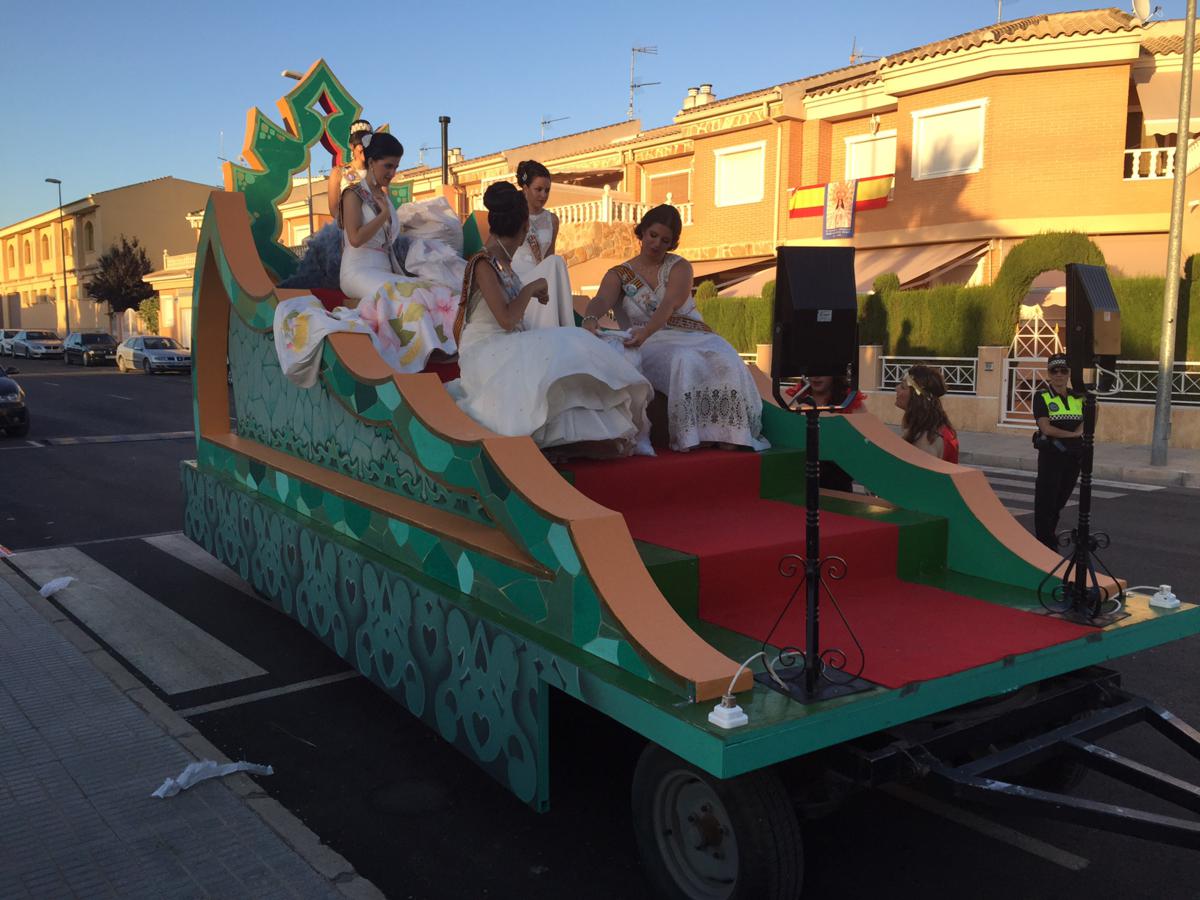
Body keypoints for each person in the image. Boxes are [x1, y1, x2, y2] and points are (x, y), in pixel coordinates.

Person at [451, 183, 653, 459]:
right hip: (485, 349)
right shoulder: (484, 264)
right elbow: (506, 319)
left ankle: (571, 440)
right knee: (567, 340)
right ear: (524, 228)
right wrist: (530, 289)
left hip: (507, 343)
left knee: (567, 343)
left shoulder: (502, 263)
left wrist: (530, 292)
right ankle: (556, 439)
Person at [582, 205, 769, 453]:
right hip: (649, 342)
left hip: (695, 335)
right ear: (642, 232)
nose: (657, 244)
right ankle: (693, 435)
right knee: (684, 359)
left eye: (665, 240)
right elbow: (601, 299)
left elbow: (670, 304)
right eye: (653, 235)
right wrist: (590, 317)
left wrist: (646, 330)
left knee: (726, 356)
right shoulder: (619, 274)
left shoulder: (680, 267)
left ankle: (731, 432)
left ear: (672, 243)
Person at [339, 132, 457, 371]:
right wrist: (382, 214)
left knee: (430, 287)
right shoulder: (353, 194)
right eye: (388, 166)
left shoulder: (383, 196)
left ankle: (447, 344)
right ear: (371, 162)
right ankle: (426, 351)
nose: (392, 173)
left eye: (396, 167)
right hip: (357, 271)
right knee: (407, 292)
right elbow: (355, 238)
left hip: (384, 270)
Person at [509, 160, 573, 329]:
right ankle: (564, 327)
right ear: (525, 188)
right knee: (556, 262)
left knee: (556, 261)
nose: (543, 195)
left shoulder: (552, 220)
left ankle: (563, 327)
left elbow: (549, 256)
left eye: (547, 190)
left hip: (541, 277)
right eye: (538, 189)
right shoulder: (513, 216)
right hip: (518, 280)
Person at [1032, 353, 1084, 548]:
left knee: (1059, 502)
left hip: (1073, 458)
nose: (1059, 374)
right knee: (1045, 503)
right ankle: (1045, 544)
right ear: (1049, 373)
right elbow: (1046, 428)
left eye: (1063, 370)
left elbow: (1096, 410)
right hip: (1051, 457)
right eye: (1054, 371)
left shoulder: (1077, 396)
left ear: (1069, 373)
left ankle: (1049, 539)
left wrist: (1082, 430)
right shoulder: (1042, 396)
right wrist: (1074, 434)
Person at [787, 374, 866, 491]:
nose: (816, 377)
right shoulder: (794, 397)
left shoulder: (850, 399)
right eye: (812, 370)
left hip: (837, 484)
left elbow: (864, 442)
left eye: (823, 370)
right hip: (798, 482)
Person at [894, 364, 958, 463]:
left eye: (903, 387)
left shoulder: (926, 439)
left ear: (916, 398)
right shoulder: (932, 428)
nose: (896, 388)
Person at [327, 119, 372, 225]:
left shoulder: (375, 172)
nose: (365, 149)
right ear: (352, 146)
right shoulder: (338, 172)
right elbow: (334, 209)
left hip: (375, 227)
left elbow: (384, 202)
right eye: (361, 145)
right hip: (349, 228)